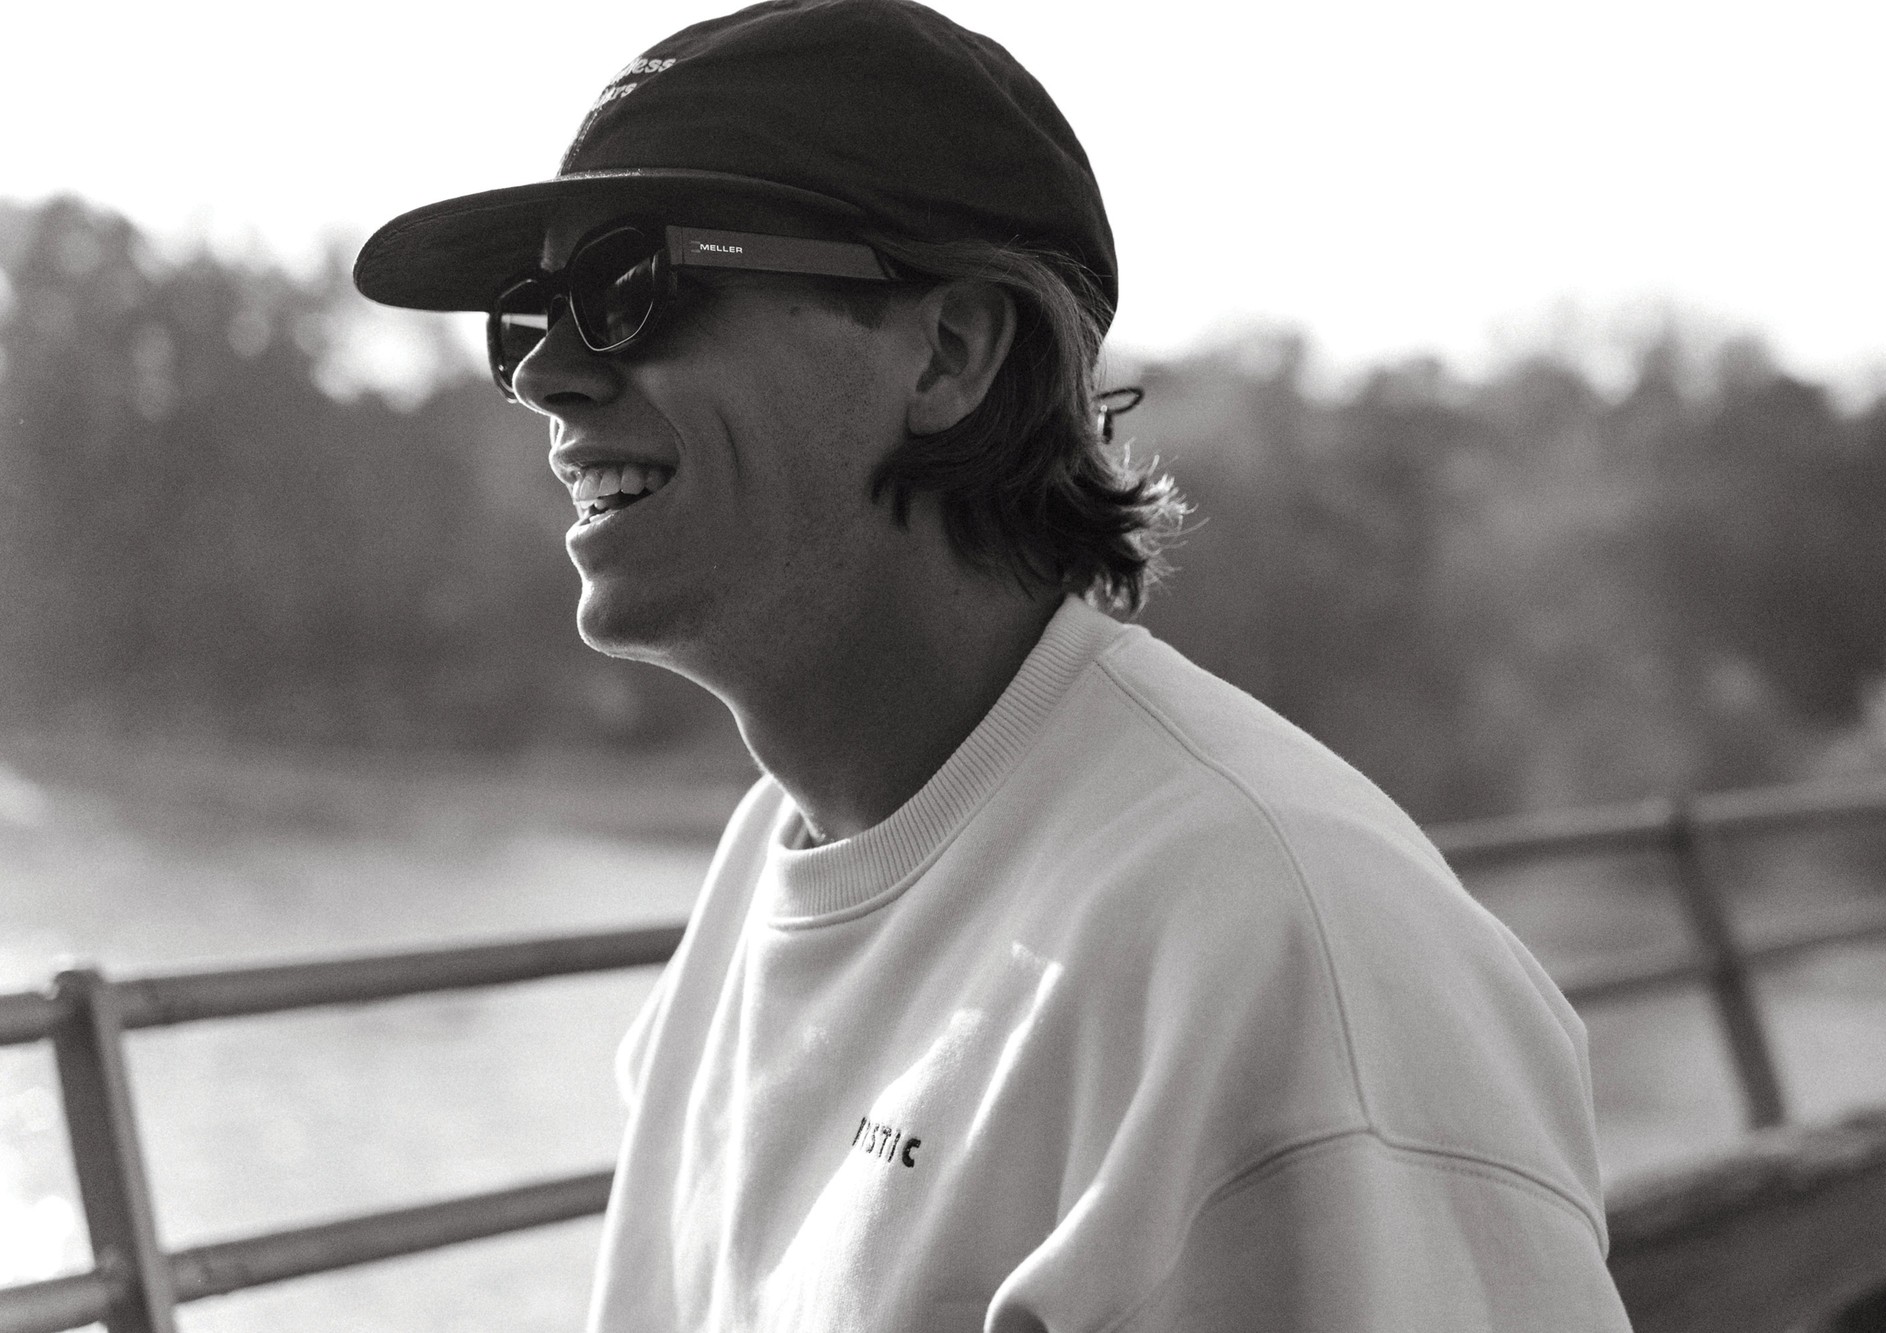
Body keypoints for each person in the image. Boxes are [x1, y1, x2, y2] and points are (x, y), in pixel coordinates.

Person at [354, 1, 1633, 1327]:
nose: (550, 372)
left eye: (633, 286)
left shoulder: (1279, 947)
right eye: (532, 312)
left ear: (952, 351)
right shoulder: (766, 867)